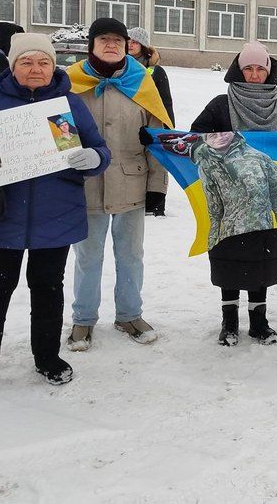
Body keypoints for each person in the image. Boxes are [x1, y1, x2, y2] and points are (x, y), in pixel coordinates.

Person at [0, 33, 110, 395]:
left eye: (43, 62)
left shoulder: (69, 104)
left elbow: (100, 149)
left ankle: (47, 358)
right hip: (1, 216)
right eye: (26, 62)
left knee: (47, 289)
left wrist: (93, 159)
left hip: (55, 216)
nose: (36, 69)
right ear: (13, 66)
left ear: (52, 65)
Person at [64, 18, 171, 351]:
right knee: (87, 257)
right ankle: (83, 321)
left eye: (117, 40)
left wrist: (158, 188)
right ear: (91, 45)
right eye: (103, 39)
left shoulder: (143, 83)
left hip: (132, 184)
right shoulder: (69, 83)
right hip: (84, 186)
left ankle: (129, 315)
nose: (111, 45)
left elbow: (158, 138)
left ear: (127, 45)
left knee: (131, 256)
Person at [190, 42, 277, 346]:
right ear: (238, 70)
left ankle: (259, 323)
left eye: (260, 69)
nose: (254, 75)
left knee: (261, 263)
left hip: (265, 202)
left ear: (269, 72)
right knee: (229, 261)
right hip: (229, 204)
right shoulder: (220, 104)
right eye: (248, 68)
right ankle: (229, 323)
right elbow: (195, 139)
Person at [128, 27, 175, 217]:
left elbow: (166, 101)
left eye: (135, 41)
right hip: (129, 122)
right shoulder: (120, 68)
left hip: (153, 124)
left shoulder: (156, 70)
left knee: (155, 163)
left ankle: (155, 205)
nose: (130, 44)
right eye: (128, 41)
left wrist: (168, 128)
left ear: (144, 46)